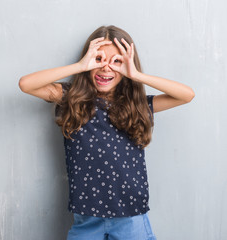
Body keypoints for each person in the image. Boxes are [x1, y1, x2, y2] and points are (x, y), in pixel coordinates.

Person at [18, 25, 195, 240]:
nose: (106, 68)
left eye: (116, 61)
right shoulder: (72, 99)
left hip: (131, 217)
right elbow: (26, 84)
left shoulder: (137, 105)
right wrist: (80, 66)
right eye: (99, 59)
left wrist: (136, 74)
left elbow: (186, 95)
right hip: (86, 218)